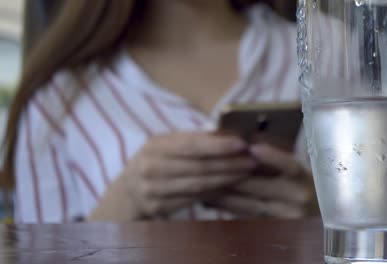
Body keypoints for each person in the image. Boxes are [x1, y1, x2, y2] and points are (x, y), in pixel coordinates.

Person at [2, 0, 318, 223]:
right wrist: (127, 200)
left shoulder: (324, 52)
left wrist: (321, 216)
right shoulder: (55, 99)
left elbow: (365, 234)